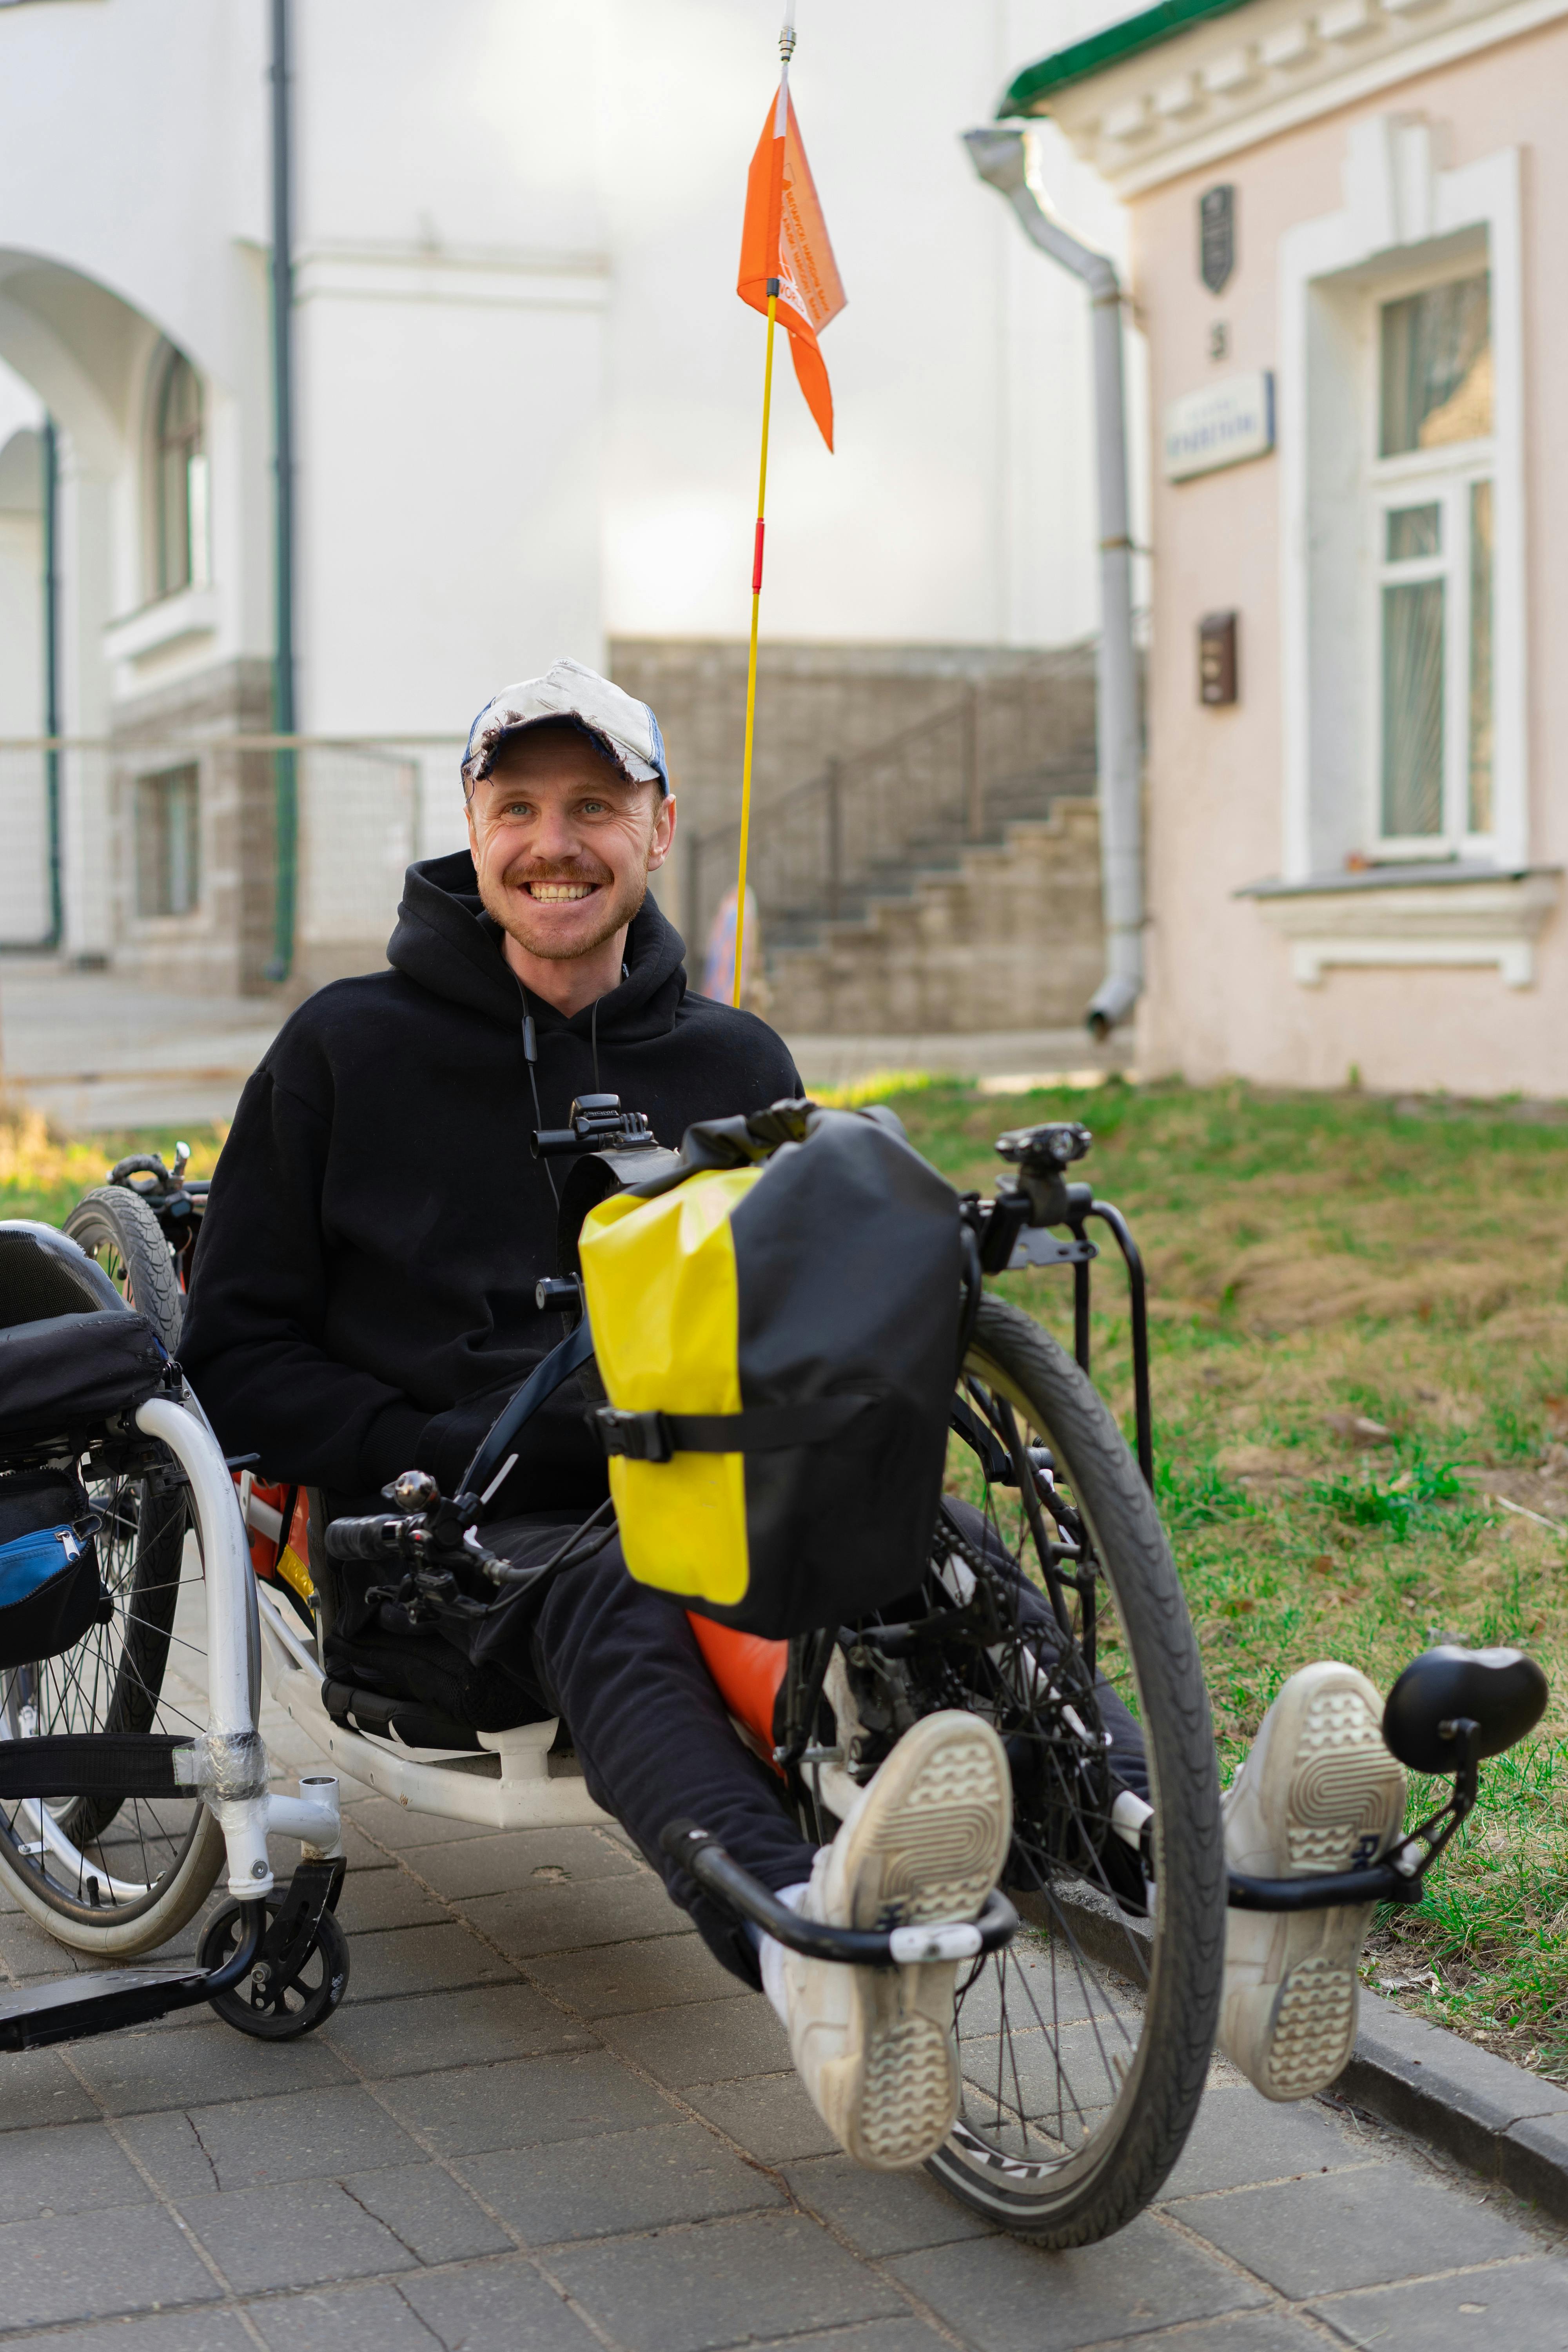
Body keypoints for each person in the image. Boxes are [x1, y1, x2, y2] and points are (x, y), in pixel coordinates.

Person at [181, 657, 1406, 2169]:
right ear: (472, 832)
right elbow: (233, 1353)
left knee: (935, 1546)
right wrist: (421, 1448)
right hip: (464, 1524)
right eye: (518, 809)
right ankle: (807, 1946)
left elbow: (799, 1315)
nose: (553, 842)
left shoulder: (734, 1064)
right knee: (619, 1582)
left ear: (659, 829)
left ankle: (1205, 1871)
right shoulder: (343, 1048)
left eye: (592, 807)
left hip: (714, 1464)